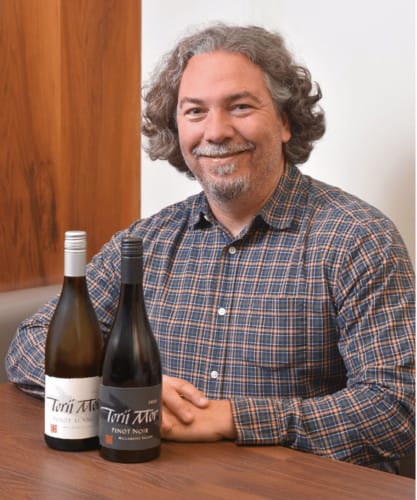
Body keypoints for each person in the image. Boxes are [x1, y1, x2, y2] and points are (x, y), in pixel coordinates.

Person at [6, 23, 414, 473]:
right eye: (195, 111)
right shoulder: (147, 242)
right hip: (155, 481)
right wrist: (120, 384)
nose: (215, 131)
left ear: (285, 121)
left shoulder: (357, 239)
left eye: (240, 106)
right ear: (176, 127)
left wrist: (232, 419)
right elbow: (29, 344)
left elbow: (397, 406)